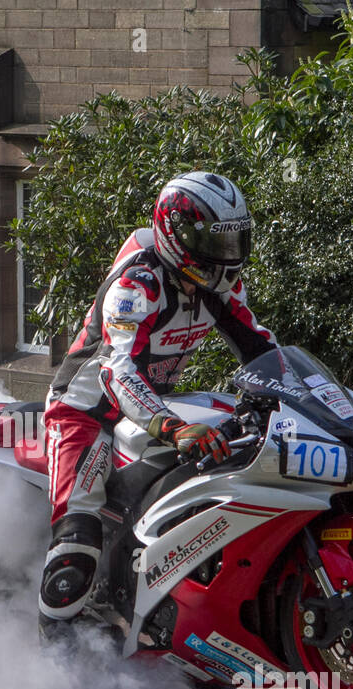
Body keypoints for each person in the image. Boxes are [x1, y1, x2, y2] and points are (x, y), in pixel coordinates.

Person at [37, 171, 280, 639]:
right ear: (176, 233)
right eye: (212, 240)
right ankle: (53, 660)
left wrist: (301, 396)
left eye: (233, 241)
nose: (226, 256)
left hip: (153, 407)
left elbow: (263, 349)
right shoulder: (138, 284)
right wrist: (171, 426)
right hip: (88, 412)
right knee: (77, 543)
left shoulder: (218, 286)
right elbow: (117, 372)